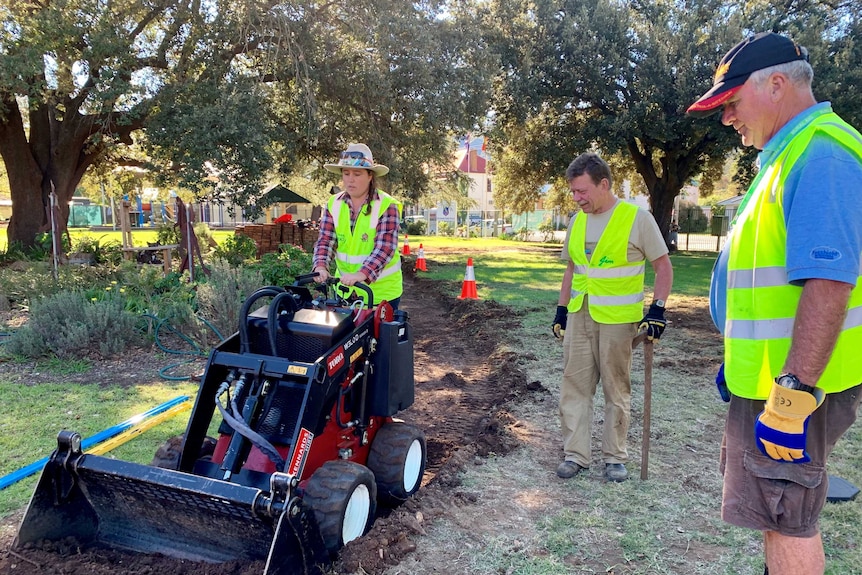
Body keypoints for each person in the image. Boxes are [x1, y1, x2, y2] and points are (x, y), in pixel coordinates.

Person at [687, 32, 862, 575]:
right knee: (775, 512)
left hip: (798, 389)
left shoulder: (822, 155)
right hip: (776, 380)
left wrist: (791, 395)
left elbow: (829, 284)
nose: (726, 118)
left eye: (731, 102)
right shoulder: (788, 157)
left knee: (787, 517)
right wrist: (743, 365)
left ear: (778, 85)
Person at [552, 152, 673, 482]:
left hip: (619, 319)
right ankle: (575, 454)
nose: (577, 198)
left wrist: (657, 310)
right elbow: (573, 269)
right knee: (574, 385)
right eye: (573, 192)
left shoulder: (637, 219)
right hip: (580, 315)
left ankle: (614, 456)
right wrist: (562, 310)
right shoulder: (576, 221)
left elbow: (663, 267)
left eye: (582, 191)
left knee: (615, 388)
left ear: (604, 184)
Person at [312, 143, 403, 309]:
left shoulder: (387, 205)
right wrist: (320, 266)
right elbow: (326, 240)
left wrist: (362, 274)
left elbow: (385, 248)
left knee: (379, 335)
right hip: (345, 291)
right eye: (346, 173)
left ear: (370, 176)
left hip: (381, 295)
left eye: (357, 174)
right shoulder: (334, 204)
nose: (350, 179)